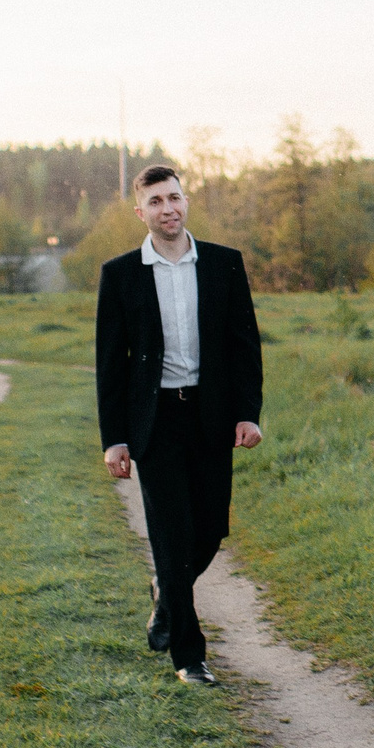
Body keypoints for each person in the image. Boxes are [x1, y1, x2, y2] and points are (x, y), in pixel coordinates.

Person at [96, 164, 264, 685]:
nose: (167, 210)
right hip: (156, 421)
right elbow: (111, 363)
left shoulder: (223, 264)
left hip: (210, 416)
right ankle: (189, 658)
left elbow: (244, 346)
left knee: (211, 528)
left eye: (174, 198)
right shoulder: (121, 274)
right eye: (155, 202)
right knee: (171, 537)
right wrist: (115, 439)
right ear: (140, 212)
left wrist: (247, 413)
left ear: (185, 200)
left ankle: (166, 592)